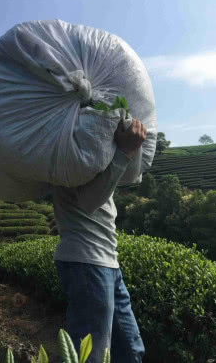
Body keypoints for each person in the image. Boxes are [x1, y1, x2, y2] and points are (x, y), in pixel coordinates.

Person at [53, 117, 147, 363]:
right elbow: (89, 202)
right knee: (92, 355)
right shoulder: (72, 154)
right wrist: (125, 151)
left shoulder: (96, 160)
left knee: (130, 349)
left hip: (107, 262)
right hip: (87, 262)